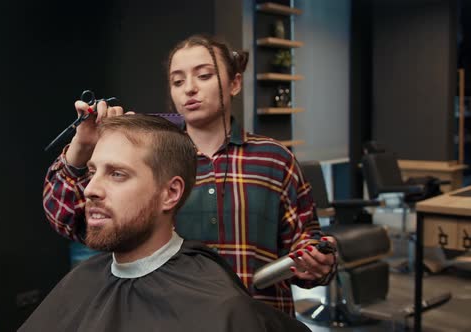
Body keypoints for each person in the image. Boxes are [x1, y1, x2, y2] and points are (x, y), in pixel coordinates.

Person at [42, 34, 336, 316]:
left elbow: (304, 238)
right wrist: (82, 147)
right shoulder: (156, 162)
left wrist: (315, 262)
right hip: (171, 319)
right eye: (177, 81)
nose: (189, 89)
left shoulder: (274, 159)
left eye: (204, 75)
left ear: (234, 83)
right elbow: (68, 217)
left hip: (258, 320)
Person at [23, 115, 309, 332]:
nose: (90, 190)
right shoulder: (81, 284)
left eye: (117, 174)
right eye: (93, 172)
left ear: (170, 193)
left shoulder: (221, 309)